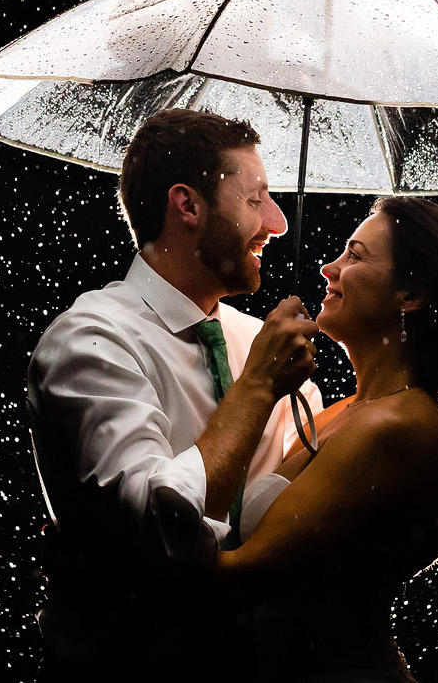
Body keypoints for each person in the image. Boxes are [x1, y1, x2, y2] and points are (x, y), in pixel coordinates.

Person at [26, 108, 322, 678]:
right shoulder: (91, 339)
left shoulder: (256, 341)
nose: (278, 222)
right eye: (256, 198)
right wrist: (258, 387)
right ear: (186, 205)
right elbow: (157, 535)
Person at [215, 195, 438, 683]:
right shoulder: (347, 410)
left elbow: (244, 577)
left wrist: (104, 564)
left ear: (411, 294)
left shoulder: (394, 427)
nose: (327, 268)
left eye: (354, 256)